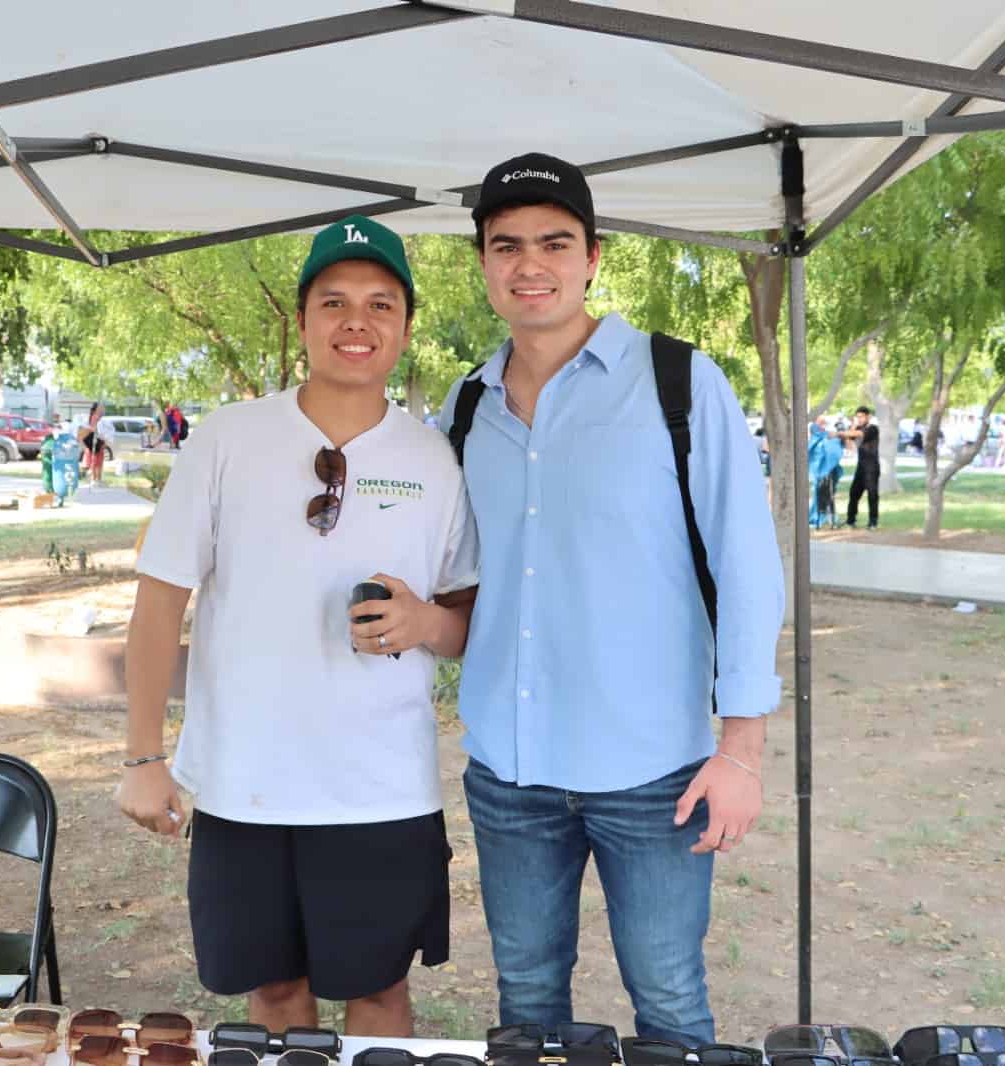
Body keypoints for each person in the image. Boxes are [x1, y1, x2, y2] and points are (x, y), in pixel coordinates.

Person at [440, 153, 783, 1043]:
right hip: (509, 774)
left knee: (669, 1005)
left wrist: (740, 750)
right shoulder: (467, 406)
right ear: (482, 261)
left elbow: (747, 566)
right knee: (526, 1006)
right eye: (506, 245)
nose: (530, 264)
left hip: (655, 773)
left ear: (593, 256)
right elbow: (468, 579)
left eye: (555, 242)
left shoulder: (679, 382)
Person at [118, 215, 479, 1037]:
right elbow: (159, 601)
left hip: (382, 788)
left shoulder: (434, 460)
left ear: (406, 326)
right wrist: (144, 757)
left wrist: (424, 621)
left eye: (382, 304)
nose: (358, 321)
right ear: (304, 318)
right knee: (277, 997)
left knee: (381, 996)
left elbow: (467, 624)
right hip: (249, 785)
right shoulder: (227, 438)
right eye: (335, 301)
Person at [842, 406, 880, 530]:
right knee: (853, 493)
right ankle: (850, 520)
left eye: (861, 416)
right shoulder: (857, 427)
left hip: (872, 467)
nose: (859, 419)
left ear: (868, 416)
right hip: (861, 467)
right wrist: (853, 424)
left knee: (872, 494)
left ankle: (873, 522)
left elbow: (857, 434)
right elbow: (849, 440)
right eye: (857, 416)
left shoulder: (872, 428)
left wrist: (839, 433)